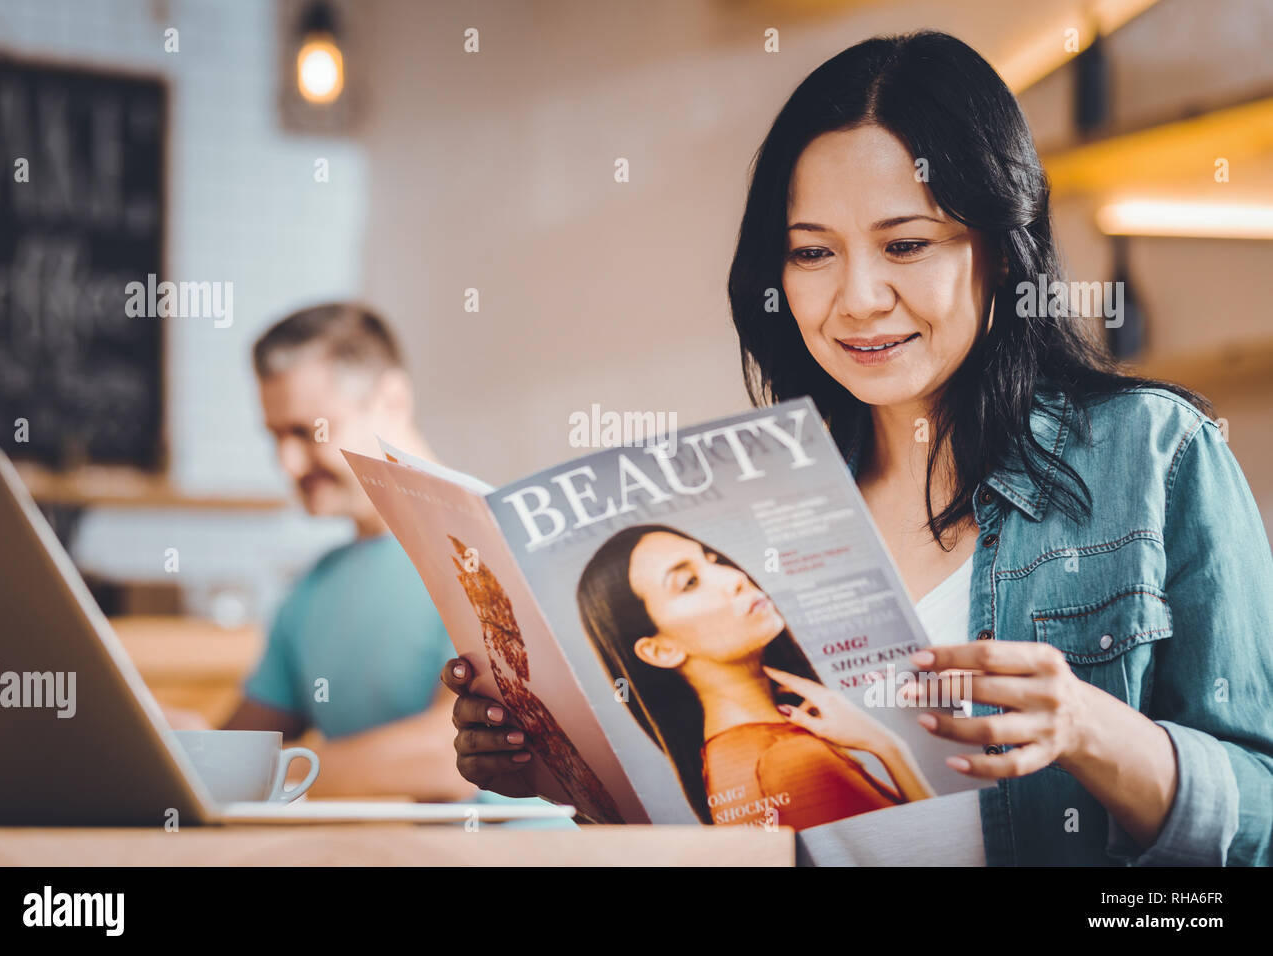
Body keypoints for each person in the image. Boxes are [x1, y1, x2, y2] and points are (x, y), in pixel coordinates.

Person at [443, 30, 1273, 865]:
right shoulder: (755, 510)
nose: (859, 300)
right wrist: (571, 780)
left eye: (906, 244)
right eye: (812, 252)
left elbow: (1261, 818)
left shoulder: (1156, 453)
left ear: (1001, 249)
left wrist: (1092, 727)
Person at [219, 302, 470, 801]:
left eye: (306, 431)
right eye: (274, 437)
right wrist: (171, 740)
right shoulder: (313, 588)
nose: (287, 464)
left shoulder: (486, 549)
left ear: (392, 400)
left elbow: (452, 759)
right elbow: (234, 748)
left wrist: (253, 779)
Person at [576, 523, 935, 830]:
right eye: (689, 582)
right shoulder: (789, 760)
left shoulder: (722, 759)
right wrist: (890, 747)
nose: (735, 578)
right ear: (660, 650)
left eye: (713, 560)